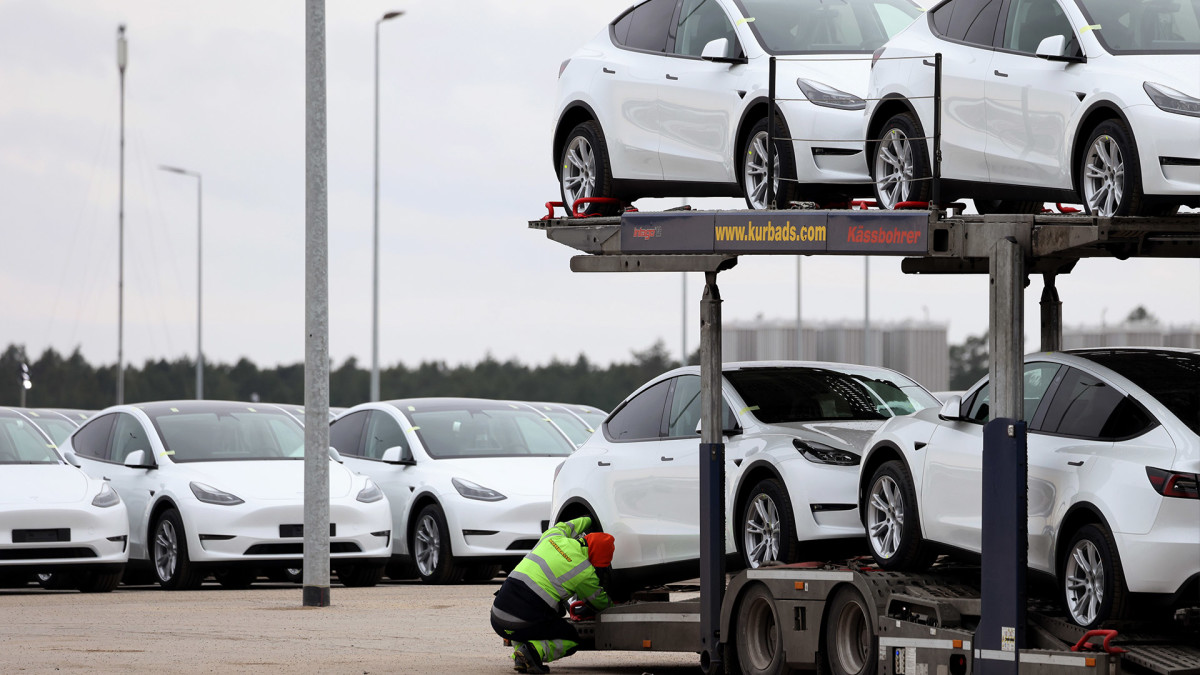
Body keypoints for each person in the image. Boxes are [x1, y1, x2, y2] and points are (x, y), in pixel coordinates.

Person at [490, 516, 614, 673]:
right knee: (571, 638)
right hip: (522, 622)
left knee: (530, 621)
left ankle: (521, 657)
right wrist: (614, 605)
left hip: (497, 617)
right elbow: (599, 602)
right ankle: (534, 651)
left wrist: (590, 519)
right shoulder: (584, 571)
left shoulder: (553, 535)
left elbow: (569, 524)